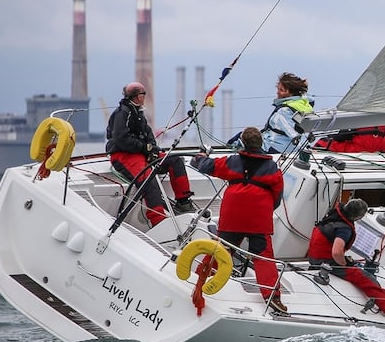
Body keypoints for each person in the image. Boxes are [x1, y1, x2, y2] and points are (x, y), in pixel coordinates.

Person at [192, 127, 287, 313]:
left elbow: (208, 166)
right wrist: (265, 209)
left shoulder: (233, 161)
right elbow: (277, 196)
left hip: (233, 213)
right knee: (263, 256)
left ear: (242, 143)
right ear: (261, 144)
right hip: (259, 215)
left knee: (221, 250)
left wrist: (198, 158)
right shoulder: (273, 168)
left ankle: (199, 283)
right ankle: (272, 297)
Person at [307, 198, 385, 325]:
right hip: (326, 261)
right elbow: (336, 252)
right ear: (358, 216)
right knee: (366, 279)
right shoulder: (344, 229)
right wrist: (345, 264)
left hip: (314, 258)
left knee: (357, 268)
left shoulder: (334, 215)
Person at [106, 81, 195, 227]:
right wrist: (145, 148)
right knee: (148, 179)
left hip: (141, 153)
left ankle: (183, 202)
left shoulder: (138, 112)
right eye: (142, 94)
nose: (144, 97)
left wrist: (152, 149)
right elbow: (121, 139)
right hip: (124, 155)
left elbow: (147, 132)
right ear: (136, 96)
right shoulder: (122, 114)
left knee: (175, 160)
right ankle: (158, 221)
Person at [261, 72, 314, 154]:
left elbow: (293, 133)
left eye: (282, 90)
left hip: (275, 148)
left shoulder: (283, 111)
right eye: (278, 89)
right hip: (293, 149)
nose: (278, 92)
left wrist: (305, 150)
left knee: (240, 139)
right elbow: (308, 98)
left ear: (291, 93)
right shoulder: (303, 104)